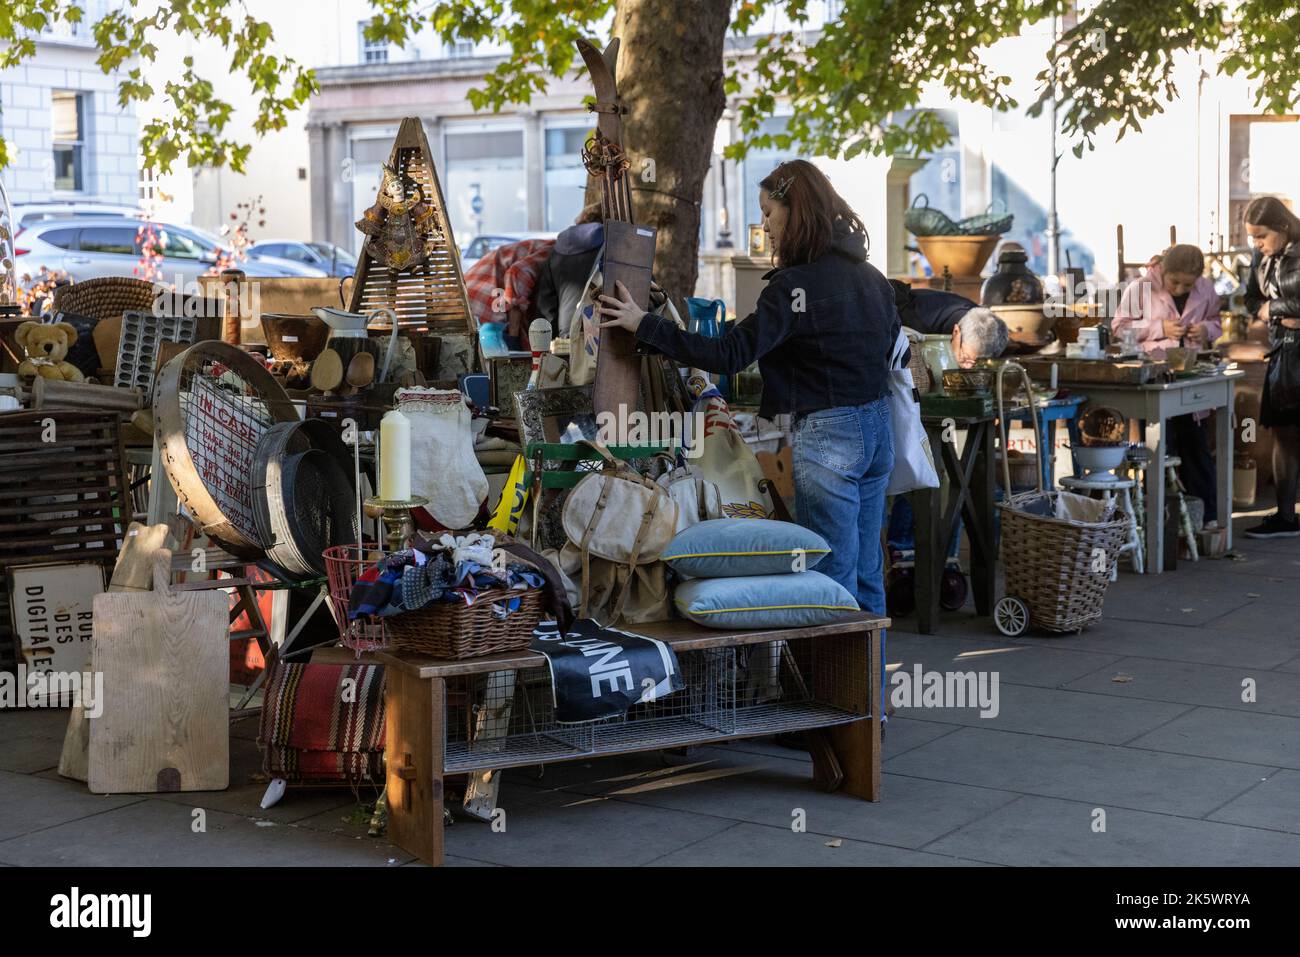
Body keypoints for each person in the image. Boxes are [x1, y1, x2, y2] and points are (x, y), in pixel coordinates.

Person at [597, 158, 898, 625]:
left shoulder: (794, 286)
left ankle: (842, 691)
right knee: (866, 570)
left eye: (769, 212)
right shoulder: (870, 277)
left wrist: (644, 325)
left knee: (832, 573)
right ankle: (873, 692)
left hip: (830, 433)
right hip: (878, 427)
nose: (765, 225)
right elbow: (888, 343)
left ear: (795, 213)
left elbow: (730, 353)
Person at [884, 297, 1009, 612]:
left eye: (976, 364)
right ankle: (904, 556)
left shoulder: (981, 324)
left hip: (937, 413)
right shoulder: (917, 319)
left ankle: (947, 557)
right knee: (916, 468)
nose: (968, 367)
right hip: (902, 399)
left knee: (950, 475)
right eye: (966, 359)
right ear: (955, 334)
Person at [1112, 243, 1222, 527]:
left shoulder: (1206, 288)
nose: (1180, 289)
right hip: (1153, 378)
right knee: (1159, 449)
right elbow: (1118, 328)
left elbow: (1216, 322)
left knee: (1196, 449)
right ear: (1163, 270)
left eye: (1188, 284)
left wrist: (1206, 330)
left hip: (1190, 378)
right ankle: (1158, 520)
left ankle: (1206, 517)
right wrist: (1159, 328)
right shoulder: (1140, 288)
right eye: (1175, 282)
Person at [1242, 196, 1300, 538]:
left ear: (1282, 226)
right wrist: (1277, 312)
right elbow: (1251, 299)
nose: (1257, 244)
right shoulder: (1261, 257)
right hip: (1282, 350)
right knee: (1283, 434)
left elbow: (1269, 305)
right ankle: (1285, 516)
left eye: (1261, 236)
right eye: (1252, 237)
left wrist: (1273, 307)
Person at [534, 203, 605, 339]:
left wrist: (551, 339)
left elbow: (546, 301)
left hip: (566, 330)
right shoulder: (613, 244)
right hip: (600, 330)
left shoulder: (557, 249)